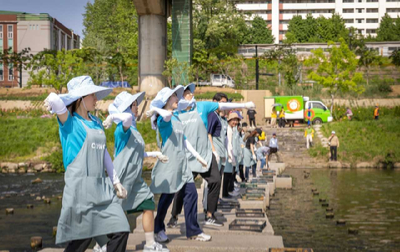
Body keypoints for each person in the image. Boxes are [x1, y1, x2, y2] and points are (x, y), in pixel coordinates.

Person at [43, 76, 130, 252]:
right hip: (80, 193)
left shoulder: (96, 122)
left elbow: (104, 153)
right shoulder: (69, 122)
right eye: (92, 95)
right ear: (81, 98)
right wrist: (51, 99)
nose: (96, 100)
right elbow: (55, 99)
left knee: (121, 229)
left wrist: (116, 182)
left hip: (101, 191)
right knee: (80, 242)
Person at [167, 86, 255, 228]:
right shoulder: (177, 112)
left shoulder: (202, 106)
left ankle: (210, 215)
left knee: (215, 180)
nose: (190, 95)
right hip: (188, 157)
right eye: (186, 94)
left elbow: (223, 105)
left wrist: (244, 105)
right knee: (181, 188)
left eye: (191, 93)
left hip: (206, 154)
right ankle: (174, 216)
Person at [103, 91, 170, 252]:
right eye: (133, 105)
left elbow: (137, 152)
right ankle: (103, 245)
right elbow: (125, 119)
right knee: (115, 213)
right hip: (121, 176)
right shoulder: (122, 129)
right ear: (126, 108)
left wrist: (155, 154)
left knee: (148, 202)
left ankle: (150, 244)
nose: (137, 107)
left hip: (135, 177)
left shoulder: (134, 129)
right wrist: (112, 117)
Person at [146, 86, 212, 243]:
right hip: (170, 163)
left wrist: (197, 156)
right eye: (175, 96)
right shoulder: (164, 119)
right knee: (167, 197)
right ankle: (158, 229)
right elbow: (166, 116)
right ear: (166, 101)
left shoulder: (175, 117)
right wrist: (156, 108)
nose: (178, 99)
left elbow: (183, 140)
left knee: (192, 193)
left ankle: (193, 231)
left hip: (183, 163)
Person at [222, 112, 241, 198]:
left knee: (229, 174)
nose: (235, 122)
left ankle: (226, 192)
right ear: (229, 120)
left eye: (236, 120)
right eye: (233, 120)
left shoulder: (231, 129)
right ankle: (225, 193)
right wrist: (230, 155)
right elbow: (228, 143)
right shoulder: (227, 129)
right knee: (227, 175)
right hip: (227, 154)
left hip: (230, 154)